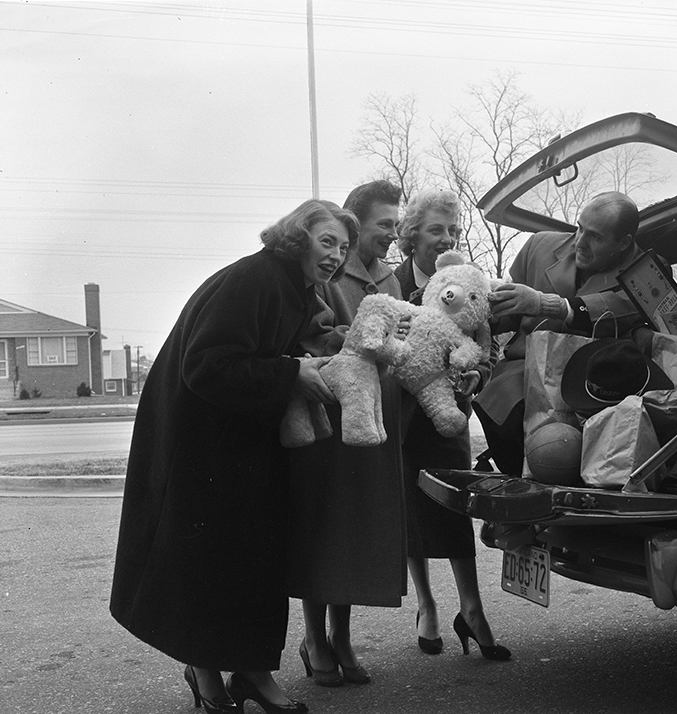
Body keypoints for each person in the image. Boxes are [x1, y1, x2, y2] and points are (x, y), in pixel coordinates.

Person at [110, 198, 358, 714]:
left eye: (344, 246)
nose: (337, 254)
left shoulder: (290, 287)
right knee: (214, 560)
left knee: (252, 555)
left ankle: (248, 672)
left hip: (237, 436)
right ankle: (208, 673)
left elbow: (259, 352)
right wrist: (292, 374)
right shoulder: (257, 279)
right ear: (297, 236)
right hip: (199, 443)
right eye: (327, 240)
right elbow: (207, 364)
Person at [286, 180, 408, 688]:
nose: (392, 235)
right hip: (330, 422)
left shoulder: (393, 281)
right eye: (385, 225)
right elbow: (309, 334)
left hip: (376, 426)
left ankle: (342, 637)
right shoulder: (327, 274)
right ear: (356, 226)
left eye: (396, 226)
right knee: (324, 529)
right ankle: (314, 638)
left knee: (357, 534)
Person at [394, 188, 511, 661]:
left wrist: (476, 375)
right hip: (402, 415)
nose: (446, 237)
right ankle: (426, 605)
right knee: (410, 509)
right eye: (436, 229)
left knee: (453, 505)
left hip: (449, 415)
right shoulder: (391, 284)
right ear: (412, 235)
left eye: (453, 230)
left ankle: (473, 609)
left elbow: (490, 347)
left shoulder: (470, 281)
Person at [475, 191, 652, 476]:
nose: (580, 242)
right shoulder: (538, 246)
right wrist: (477, 314)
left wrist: (547, 304)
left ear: (624, 243)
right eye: (579, 227)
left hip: (597, 386)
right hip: (521, 376)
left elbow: (618, 309)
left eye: (595, 236)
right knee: (504, 409)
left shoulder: (647, 275)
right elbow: (509, 312)